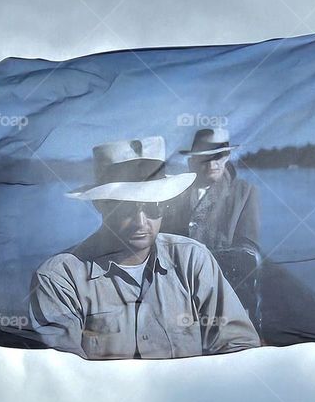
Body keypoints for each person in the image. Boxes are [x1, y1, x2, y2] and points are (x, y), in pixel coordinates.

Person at [28, 137, 260, 359]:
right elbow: (64, 375)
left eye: (153, 207)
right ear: (101, 205)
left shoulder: (193, 259)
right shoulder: (59, 278)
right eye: (126, 209)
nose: (141, 222)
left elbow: (239, 346)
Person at [162, 126, 262, 326]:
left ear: (227, 157)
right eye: (205, 157)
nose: (213, 163)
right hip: (178, 290)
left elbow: (248, 251)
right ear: (191, 161)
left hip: (226, 290)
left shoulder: (244, 193)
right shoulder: (172, 193)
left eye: (220, 156)